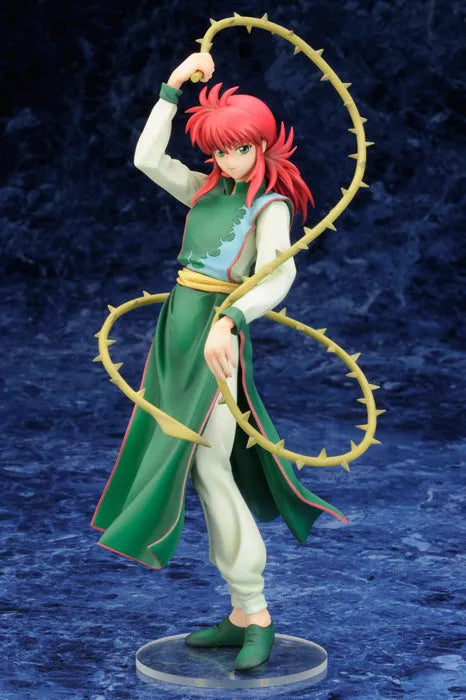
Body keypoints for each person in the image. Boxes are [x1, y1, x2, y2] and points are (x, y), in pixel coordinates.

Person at [90, 53, 347, 671]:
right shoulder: (205, 188)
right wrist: (172, 89)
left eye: (239, 150)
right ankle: (240, 613)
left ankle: (255, 610)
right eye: (219, 152)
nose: (229, 161)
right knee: (201, 467)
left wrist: (232, 319)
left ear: (263, 143)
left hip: (216, 333)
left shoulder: (271, 206)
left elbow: (278, 276)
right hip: (176, 333)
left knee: (209, 466)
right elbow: (146, 159)